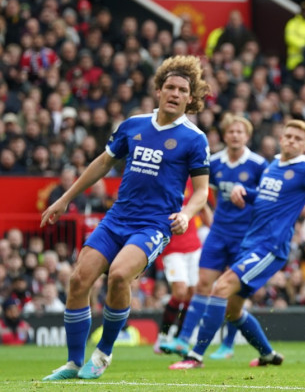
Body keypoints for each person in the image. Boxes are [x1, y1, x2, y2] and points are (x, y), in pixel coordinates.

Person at [40, 55, 211, 381]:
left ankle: (103, 353)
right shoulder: (133, 125)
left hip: (154, 224)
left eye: (182, 90)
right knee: (78, 280)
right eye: (170, 87)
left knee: (118, 276)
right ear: (159, 90)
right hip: (117, 217)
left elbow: (201, 192)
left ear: (191, 98)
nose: (175, 93)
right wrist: (65, 199)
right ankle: (74, 363)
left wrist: (187, 214)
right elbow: (103, 163)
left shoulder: (194, 139)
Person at [169, 119, 305, 369]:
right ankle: (268, 354)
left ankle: (195, 356)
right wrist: (245, 192)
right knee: (232, 310)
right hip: (251, 243)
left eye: (298, 139)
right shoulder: (273, 165)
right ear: (281, 138)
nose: (291, 141)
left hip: (271, 247)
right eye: (288, 136)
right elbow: (264, 198)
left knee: (221, 287)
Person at [159, 114, 268, 361]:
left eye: (240, 132)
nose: (235, 135)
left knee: (232, 292)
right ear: (225, 135)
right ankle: (183, 340)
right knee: (203, 285)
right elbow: (210, 195)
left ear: (247, 136)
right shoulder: (214, 162)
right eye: (231, 131)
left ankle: (227, 345)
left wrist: (249, 198)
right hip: (219, 233)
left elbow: (267, 197)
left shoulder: (259, 164)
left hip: (245, 236)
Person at [153, 178, 211, 354]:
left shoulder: (194, 181)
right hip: (173, 248)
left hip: (193, 247)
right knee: (180, 291)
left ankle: (179, 339)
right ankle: (163, 336)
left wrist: (205, 206)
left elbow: (206, 214)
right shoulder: (163, 180)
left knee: (192, 294)